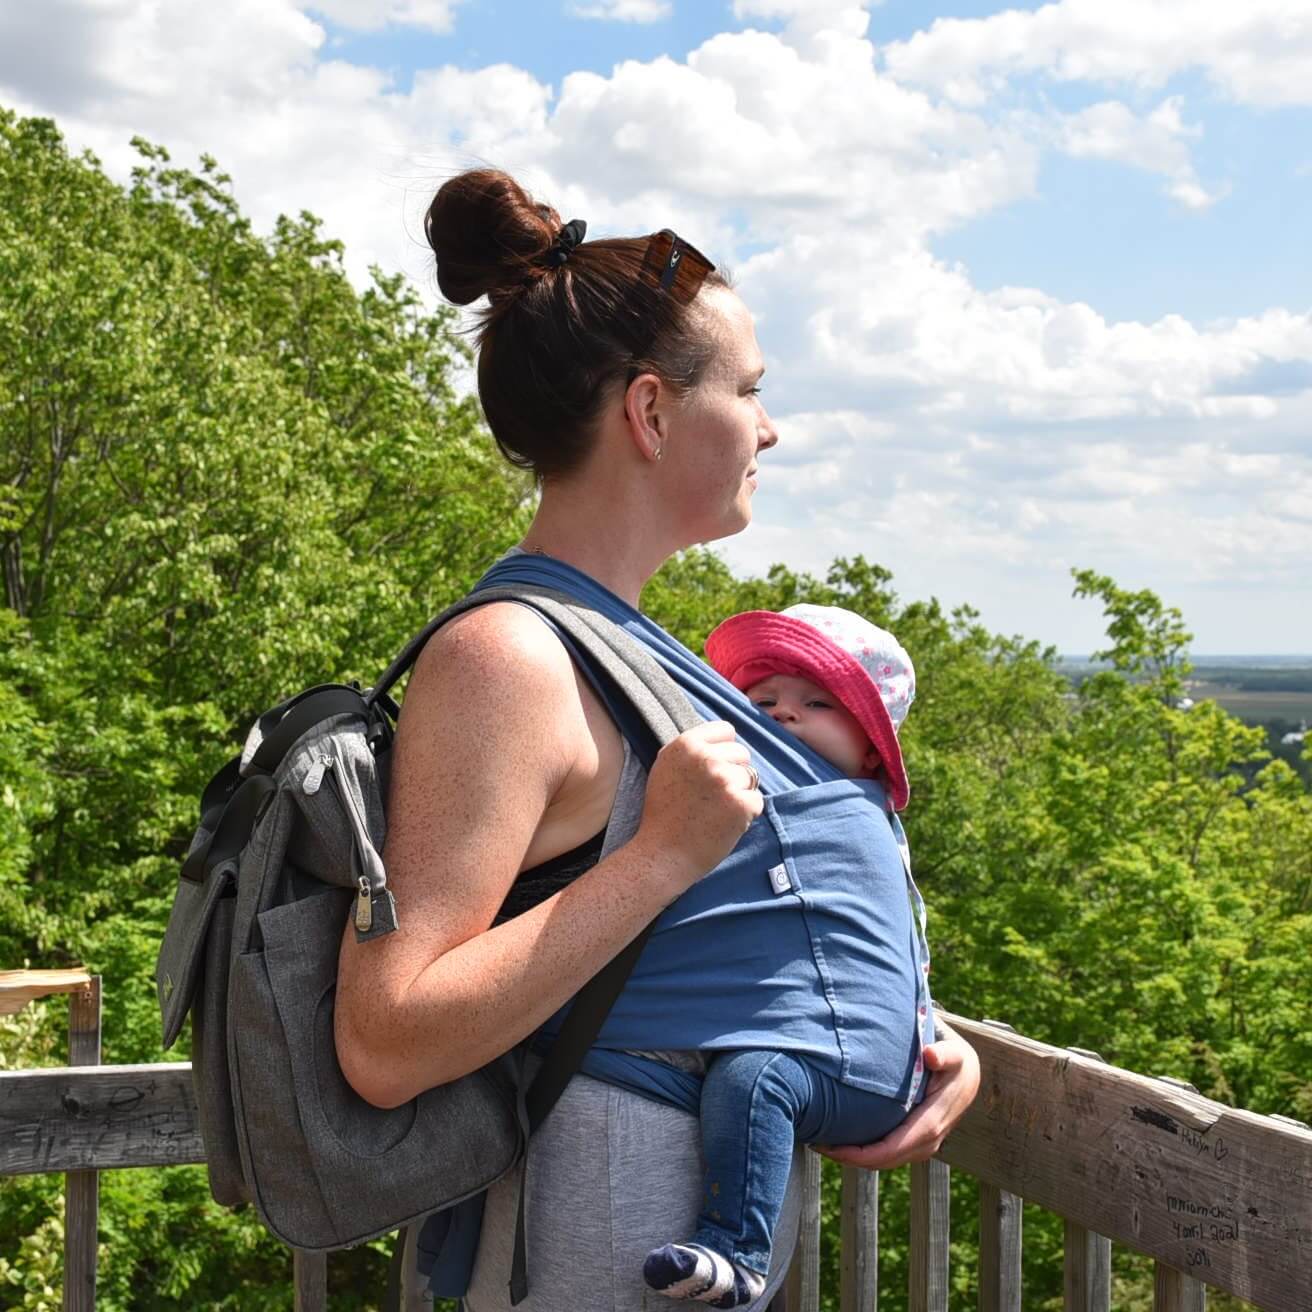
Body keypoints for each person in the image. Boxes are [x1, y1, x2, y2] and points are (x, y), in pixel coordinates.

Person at [332, 167, 980, 1312]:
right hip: (584, 1255)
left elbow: (717, 943)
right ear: (651, 413)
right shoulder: (511, 658)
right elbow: (386, 1035)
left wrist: (908, 1044)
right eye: (748, 389)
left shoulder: (622, 647)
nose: (769, 428)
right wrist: (659, 856)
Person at [642, 603, 927, 1307]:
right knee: (752, 1074)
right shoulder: (810, 810)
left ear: (870, 751)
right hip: (825, 1045)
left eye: (816, 702)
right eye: (762, 700)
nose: (784, 715)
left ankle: (737, 1253)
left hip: (855, 1065)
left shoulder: (843, 814)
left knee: (754, 1078)